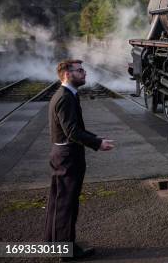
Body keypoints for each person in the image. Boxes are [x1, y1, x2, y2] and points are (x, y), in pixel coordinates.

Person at [44, 60, 115, 259]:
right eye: (80, 70)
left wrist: (96, 139)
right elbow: (72, 131)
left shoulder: (67, 95)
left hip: (63, 153)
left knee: (58, 201)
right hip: (68, 156)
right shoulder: (65, 98)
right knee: (67, 203)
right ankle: (67, 251)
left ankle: (54, 244)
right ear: (67, 74)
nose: (85, 73)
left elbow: (76, 129)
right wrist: (98, 144)